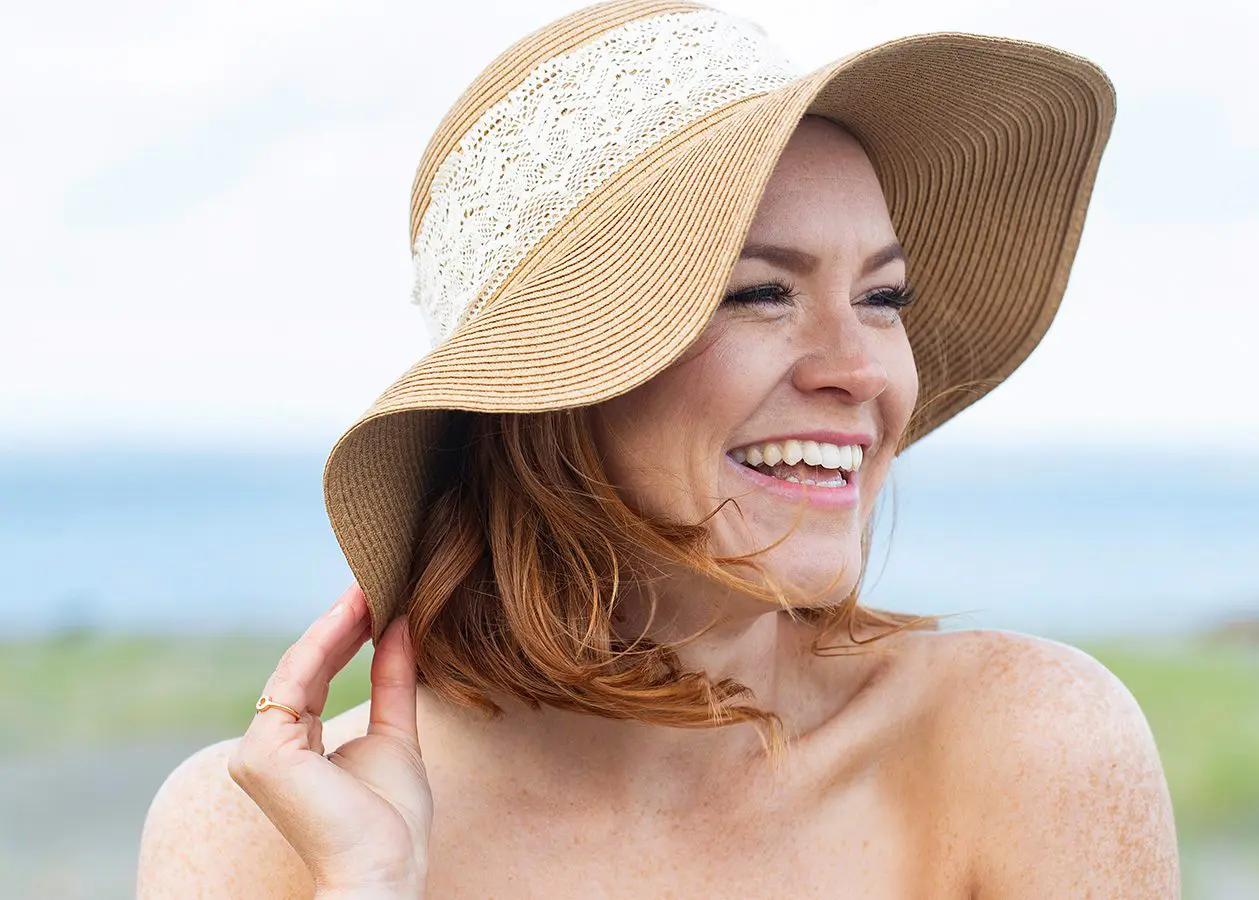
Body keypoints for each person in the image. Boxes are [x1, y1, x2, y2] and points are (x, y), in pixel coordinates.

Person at [137, 2, 1179, 897]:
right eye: (761, 292)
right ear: (548, 386)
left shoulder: (1026, 747)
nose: (861, 371)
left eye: (883, 298)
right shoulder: (261, 834)